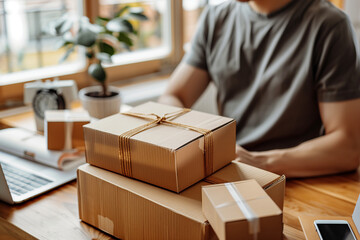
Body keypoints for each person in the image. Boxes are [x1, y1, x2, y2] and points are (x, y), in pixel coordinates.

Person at [158, 0, 360, 177]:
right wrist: (197, 141)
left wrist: (259, 162)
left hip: (298, 178)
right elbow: (173, 96)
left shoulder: (330, 25)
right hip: (230, 169)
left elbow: (348, 146)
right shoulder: (215, 18)